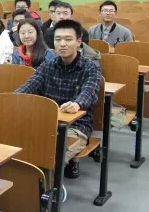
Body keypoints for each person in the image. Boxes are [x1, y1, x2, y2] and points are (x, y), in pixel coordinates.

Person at [16, 19, 100, 179]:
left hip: (76, 126)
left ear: (79, 42)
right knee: (22, 146)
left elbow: (90, 91)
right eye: (58, 39)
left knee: (51, 156)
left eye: (68, 39)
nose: (62, 44)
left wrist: (77, 104)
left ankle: (47, 191)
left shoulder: (90, 67)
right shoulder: (48, 65)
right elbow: (30, 85)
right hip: (47, 122)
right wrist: (11, 99)